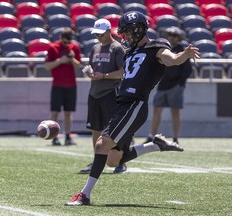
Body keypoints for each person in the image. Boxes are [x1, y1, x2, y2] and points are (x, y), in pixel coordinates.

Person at [65, 11, 199, 206]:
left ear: (138, 29)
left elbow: (171, 60)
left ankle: (84, 195)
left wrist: (183, 55)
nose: (125, 36)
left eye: (127, 32)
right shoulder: (130, 52)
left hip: (135, 104)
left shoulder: (157, 47)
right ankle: (155, 145)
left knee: (101, 144)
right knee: (113, 160)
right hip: (123, 104)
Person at [79, 19, 127, 174]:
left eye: (100, 34)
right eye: (96, 34)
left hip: (110, 93)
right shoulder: (95, 48)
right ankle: (97, 162)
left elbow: (122, 72)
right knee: (95, 129)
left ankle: (121, 161)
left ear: (108, 31)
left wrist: (104, 76)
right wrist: (89, 74)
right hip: (94, 93)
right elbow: (94, 71)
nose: (98, 37)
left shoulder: (117, 48)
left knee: (115, 130)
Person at [145, 26, 193, 144]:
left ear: (178, 37)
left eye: (174, 35)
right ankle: (152, 136)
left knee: (175, 112)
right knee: (156, 111)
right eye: (170, 34)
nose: (171, 37)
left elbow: (187, 70)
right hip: (162, 85)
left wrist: (180, 84)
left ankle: (175, 138)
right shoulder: (163, 49)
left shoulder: (182, 50)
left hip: (175, 86)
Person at [45, 28, 81, 146]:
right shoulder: (52, 47)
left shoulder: (74, 47)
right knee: (54, 112)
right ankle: (53, 137)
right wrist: (60, 60)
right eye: (65, 42)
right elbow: (47, 66)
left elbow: (77, 66)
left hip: (71, 84)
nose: (67, 44)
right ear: (60, 37)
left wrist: (72, 58)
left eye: (68, 42)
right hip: (57, 84)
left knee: (68, 112)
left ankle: (67, 137)